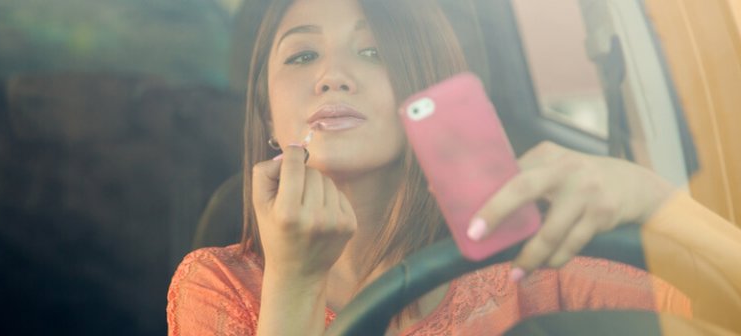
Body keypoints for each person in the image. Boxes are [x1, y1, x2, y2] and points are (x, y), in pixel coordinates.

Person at [167, 0, 741, 334]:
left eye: (374, 52)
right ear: (269, 113)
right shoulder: (217, 287)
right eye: (302, 55)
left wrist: (660, 202)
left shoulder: (529, 267)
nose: (332, 75)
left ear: (422, 90)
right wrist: (294, 283)